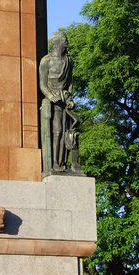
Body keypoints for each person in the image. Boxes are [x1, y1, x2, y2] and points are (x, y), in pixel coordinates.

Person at [39, 32, 82, 173]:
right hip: (53, 101)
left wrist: (69, 98)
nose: (67, 42)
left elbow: (69, 83)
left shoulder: (68, 61)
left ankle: (64, 163)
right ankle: (55, 163)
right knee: (57, 131)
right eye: (64, 40)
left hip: (64, 100)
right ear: (57, 43)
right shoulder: (46, 61)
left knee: (66, 132)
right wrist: (51, 97)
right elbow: (42, 84)